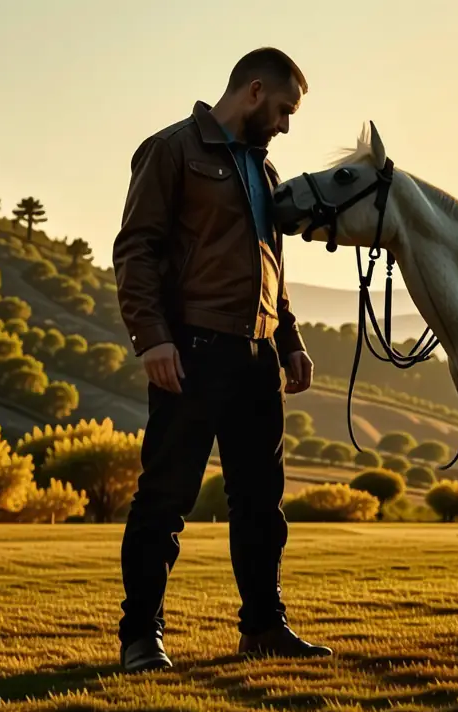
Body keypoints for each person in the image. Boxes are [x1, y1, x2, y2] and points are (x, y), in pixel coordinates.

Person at [112, 47, 332, 672]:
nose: (284, 125)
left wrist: (289, 341)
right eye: (284, 110)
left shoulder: (264, 169)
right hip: (192, 350)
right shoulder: (171, 150)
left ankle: (264, 627)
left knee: (261, 504)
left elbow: (271, 265)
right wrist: (152, 338)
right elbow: (136, 250)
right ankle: (141, 637)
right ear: (254, 91)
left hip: (258, 358)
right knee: (165, 498)